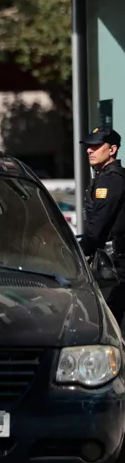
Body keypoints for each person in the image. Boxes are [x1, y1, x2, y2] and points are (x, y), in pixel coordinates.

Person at [79, 123, 125, 321]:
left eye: (96, 146)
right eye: (89, 146)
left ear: (112, 149)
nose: (89, 150)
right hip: (112, 264)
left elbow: (98, 225)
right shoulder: (106, 177)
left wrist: (78, 252)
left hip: (112, 267)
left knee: (107, 325)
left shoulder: (111, 180)